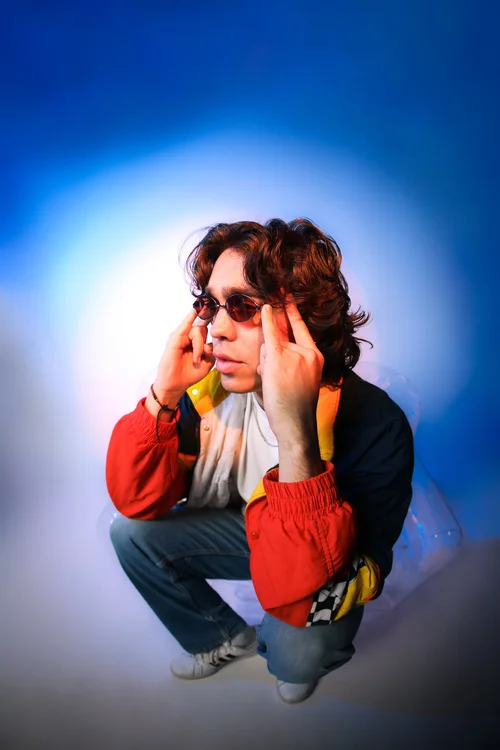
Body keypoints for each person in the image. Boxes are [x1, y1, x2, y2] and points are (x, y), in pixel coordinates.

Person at [106, 218, 414, 704]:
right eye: (210, 304)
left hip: (323, 561)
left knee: (296, 653)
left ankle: (293, 651)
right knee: (130, 533)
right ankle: (222, 636)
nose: (216, 328)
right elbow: (137, 500)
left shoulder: (377, 422)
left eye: (243, 306)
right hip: (248, 529)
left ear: (303, 318)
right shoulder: (206, 392)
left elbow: (354, 569)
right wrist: (162, 396)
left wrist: (297, 435)